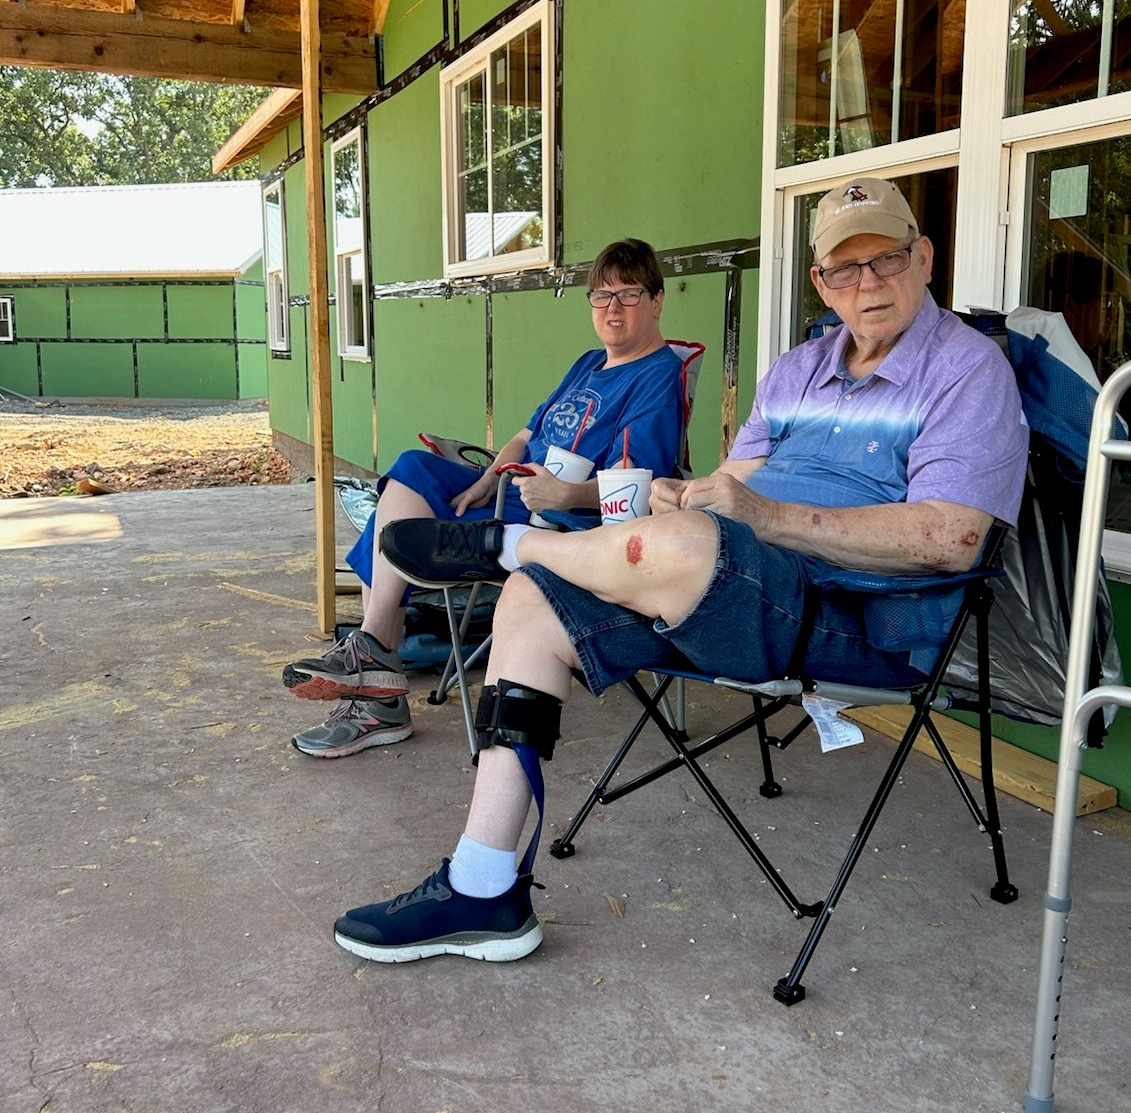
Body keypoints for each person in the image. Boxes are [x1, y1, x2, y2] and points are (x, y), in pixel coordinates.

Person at [328, 176, 1031, 966]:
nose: (866, 283)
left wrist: (754, 517)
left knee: (682, 543)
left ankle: (512, 543)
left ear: (924, 257)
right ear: (819, 281)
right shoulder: (799, 368)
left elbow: (950, 540)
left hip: (852, 615)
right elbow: (736, 482)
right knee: (534, 598)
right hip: (731, 589)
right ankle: (482, 886)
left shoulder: (966, 371)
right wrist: (684, 495)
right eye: (844, 267)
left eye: (886, 259)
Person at [284, 238, 689, 758]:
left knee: (395, 520)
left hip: (556, 519)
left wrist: (566, 493)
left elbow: (635, 487)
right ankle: (376, 658)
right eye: (601, 295)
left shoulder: (657, 376)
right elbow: (524, 436)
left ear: (657, 301)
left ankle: (377, 684)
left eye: (628, 294)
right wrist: (486, 478)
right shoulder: (589, 363)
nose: (613, 308)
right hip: (508, 489)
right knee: (410, 474)